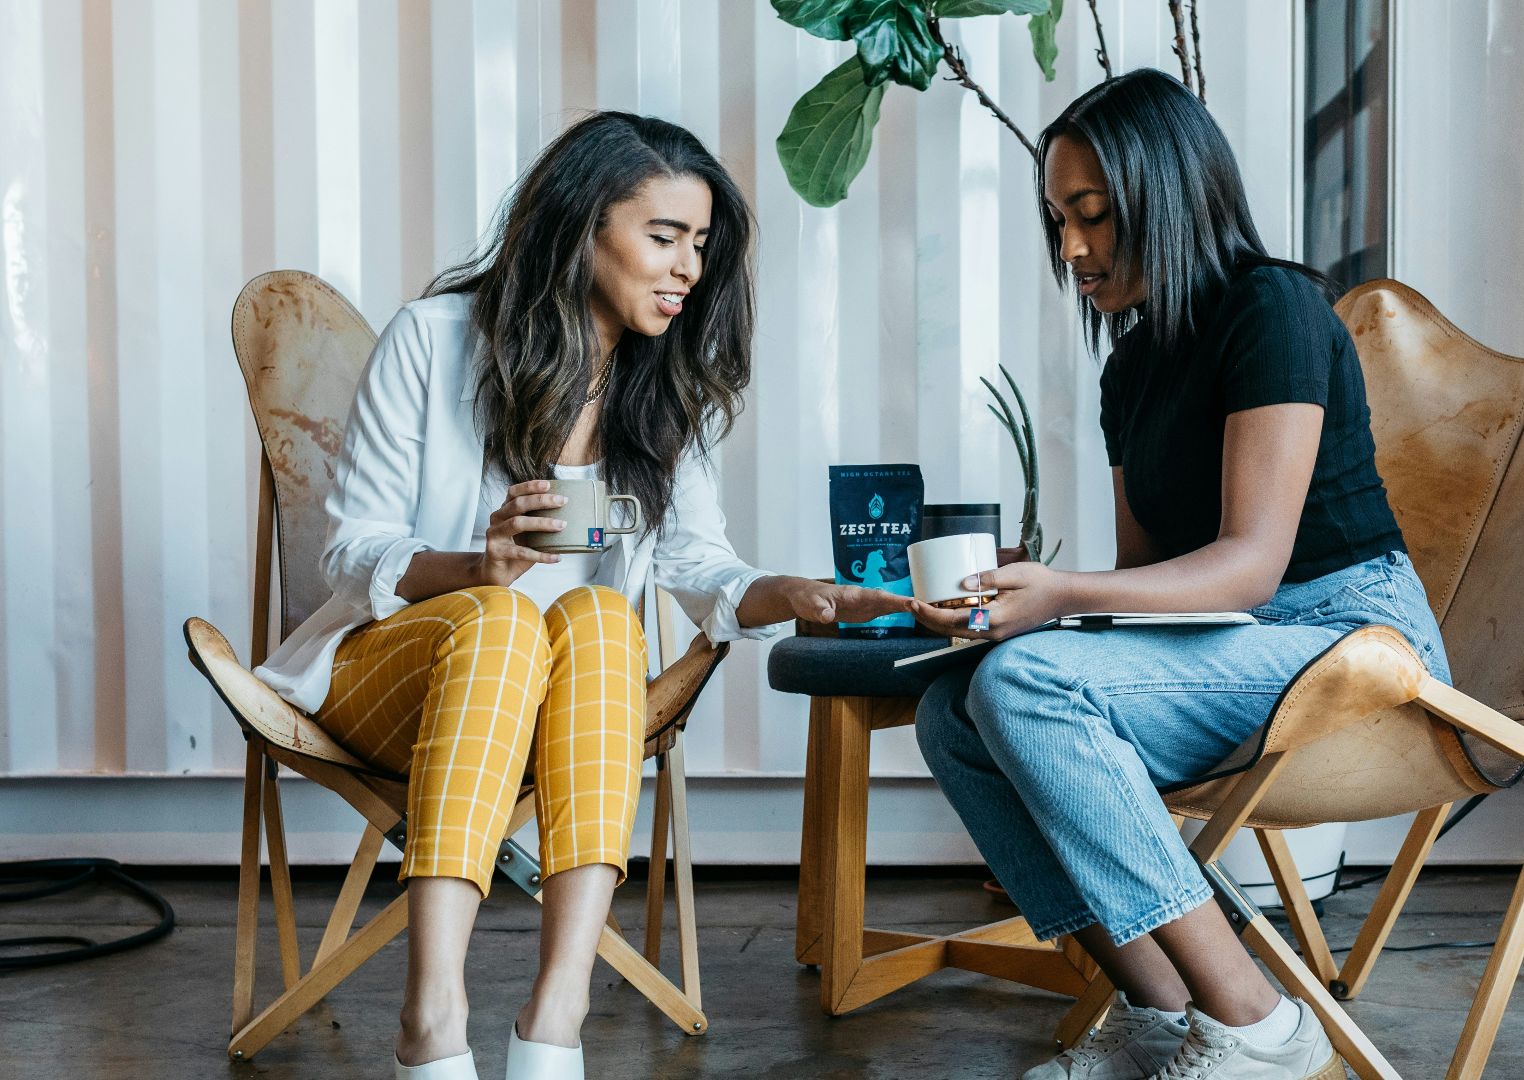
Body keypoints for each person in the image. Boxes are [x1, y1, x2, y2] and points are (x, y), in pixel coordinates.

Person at [255, 112, 908, 1080]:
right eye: (662, 237)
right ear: (581, 225)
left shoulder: (661, 390)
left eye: (699, 244)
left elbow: (699, 568)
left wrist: (801, 594)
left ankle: (554, 1020)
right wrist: (474, 567)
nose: (688, 266)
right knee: (502, 619)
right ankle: (431, 1014)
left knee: (602, 615)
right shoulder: (434, 343)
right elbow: (351, 554)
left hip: (565, 714)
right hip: (392, 681)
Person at [910, 70, 1452, 1080]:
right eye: (1056, 222)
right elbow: (1151, 580)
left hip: (1356, 643)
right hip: (1240, 647)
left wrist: (1066, 602)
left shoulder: (1274, 310)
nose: (1071, 250)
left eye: (1093, 216)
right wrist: (1037, 594)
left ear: (1167, 189)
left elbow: (1248, 567)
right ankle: (1159, 1009)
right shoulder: (1133, 366)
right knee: (954, 709)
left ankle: (1259, 1026)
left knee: (1026, 686)